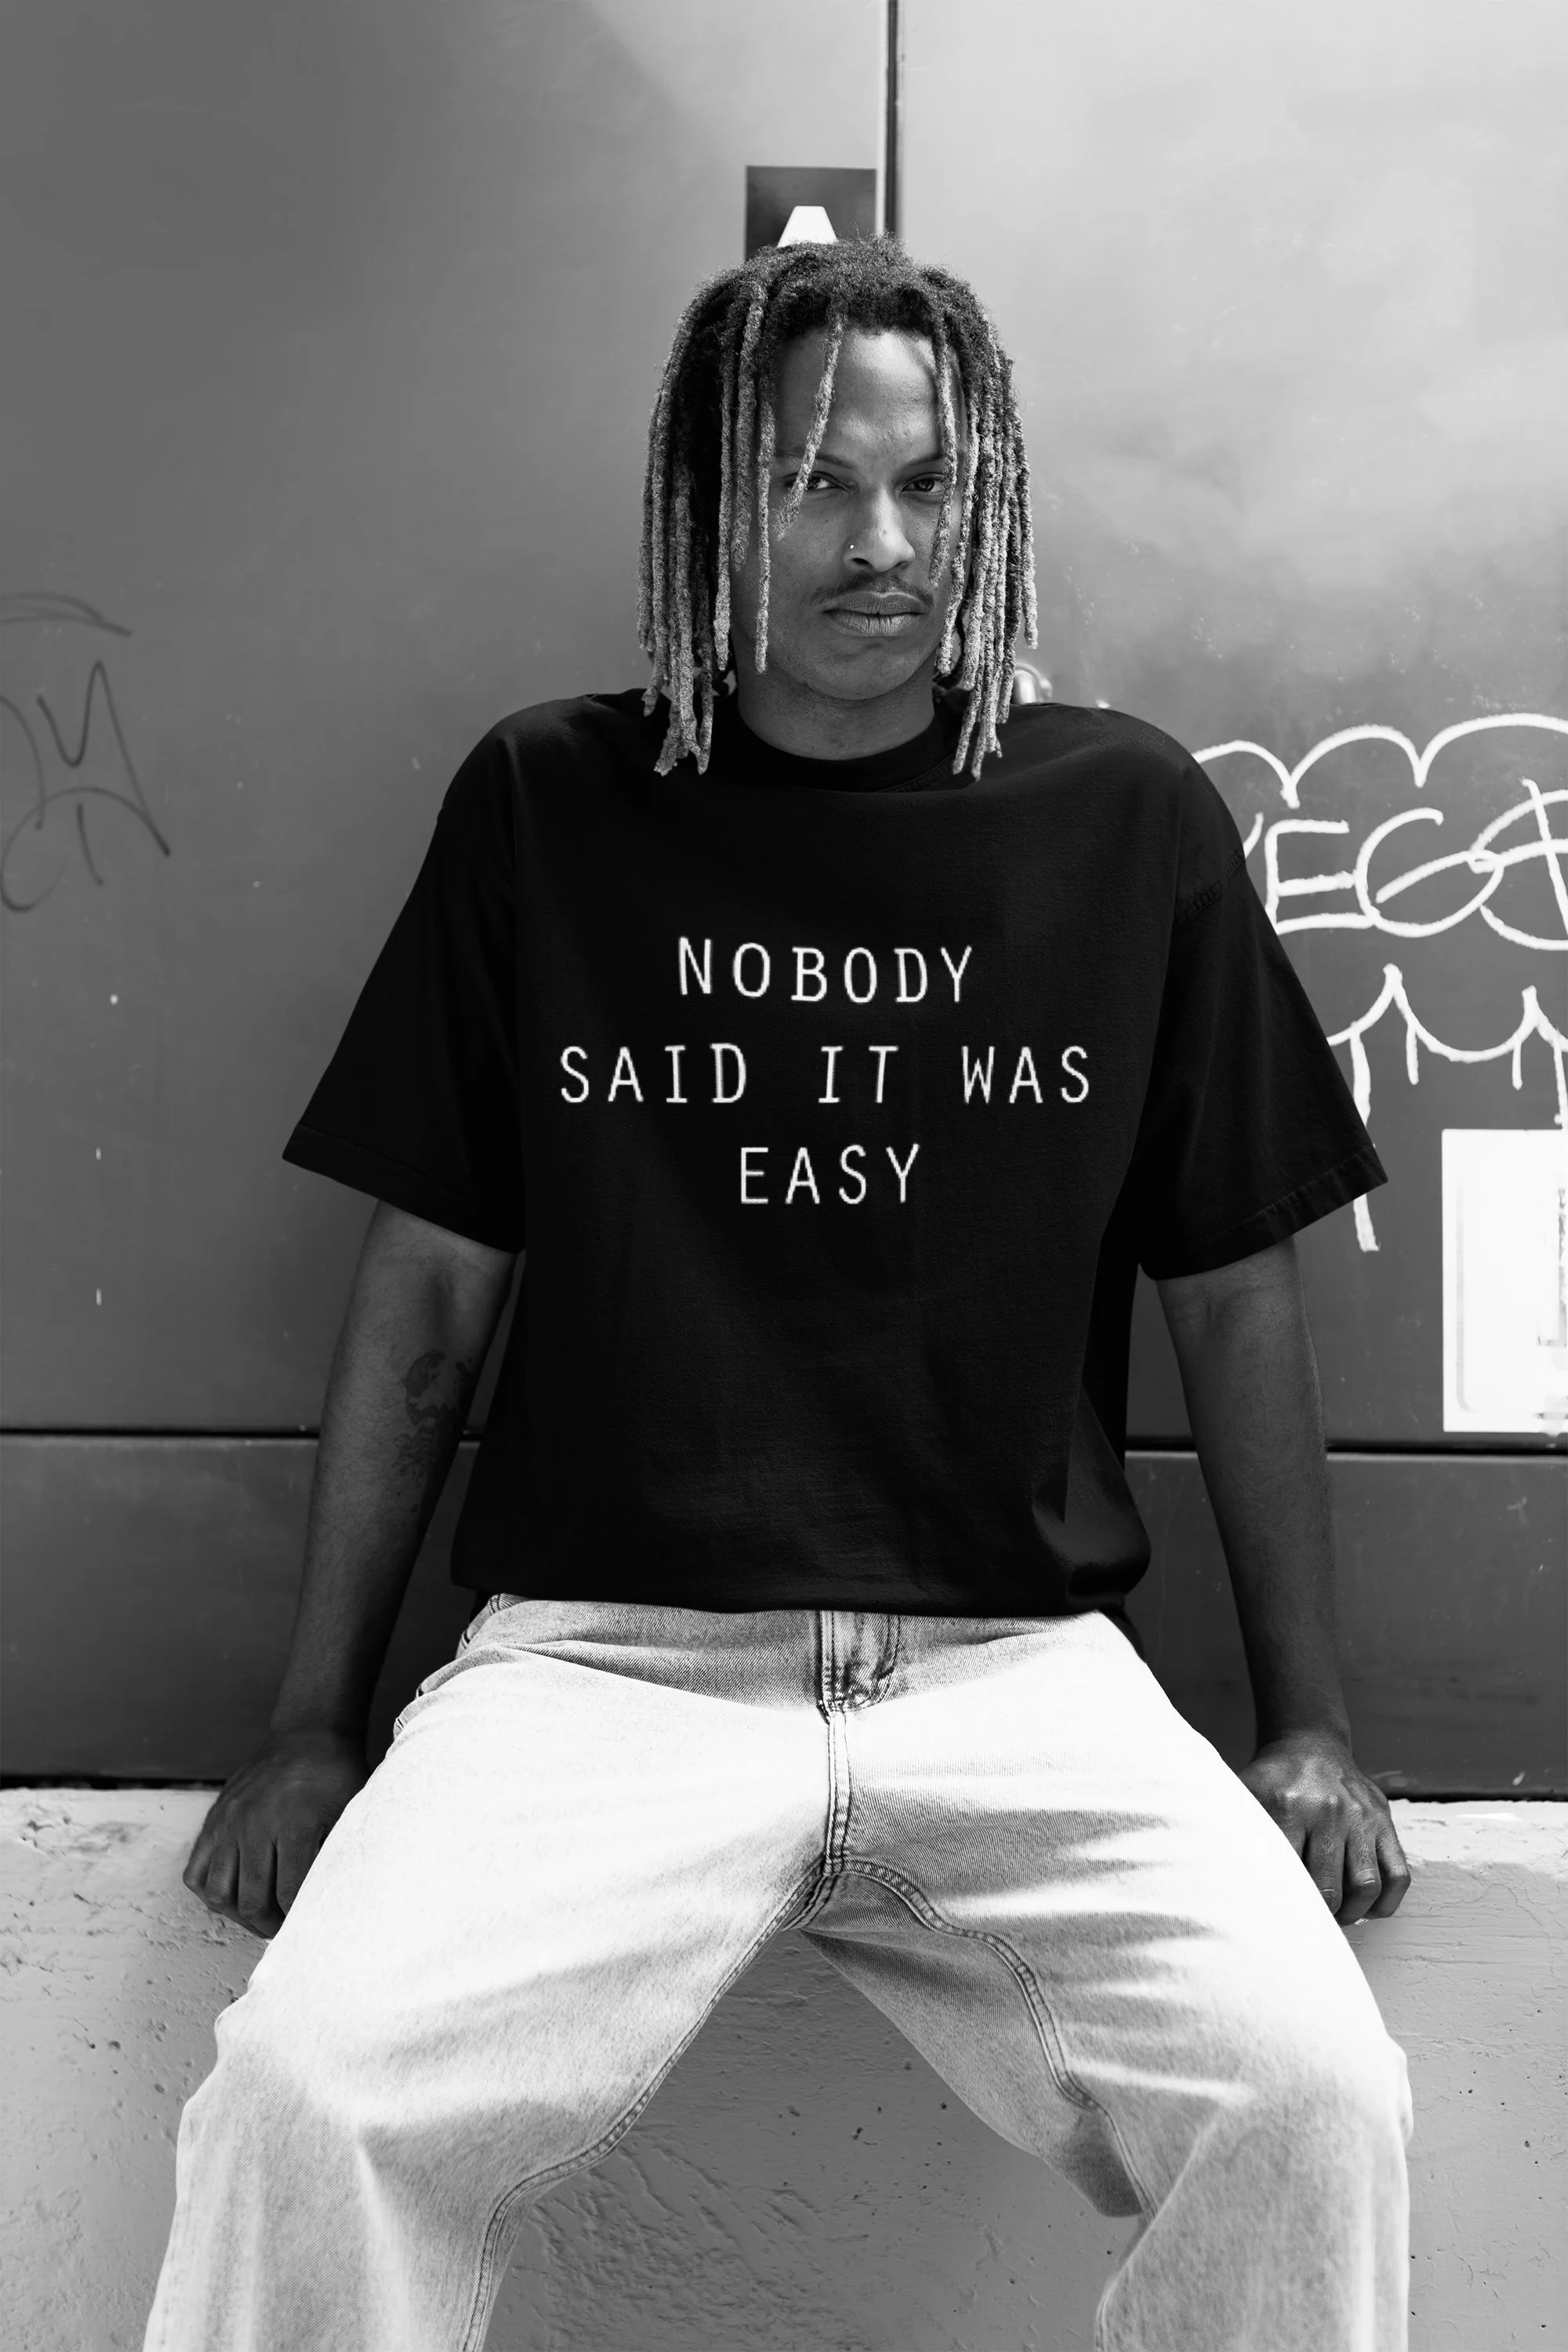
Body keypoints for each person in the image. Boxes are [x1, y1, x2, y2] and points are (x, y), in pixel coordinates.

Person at [145, 236, 1414, 2352]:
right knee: (299, 2090)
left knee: (1315, 2098)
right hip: (606, 1670)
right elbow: (431, 1303)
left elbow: (1239, 1298)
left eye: (928, 487)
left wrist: (1309, 1721)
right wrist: (310, 1719)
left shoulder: (1127, 820)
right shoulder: (551, 803)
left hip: (1016, 1674)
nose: (881, 543)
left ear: (990, 500)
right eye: (817, 484)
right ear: (707, 501)